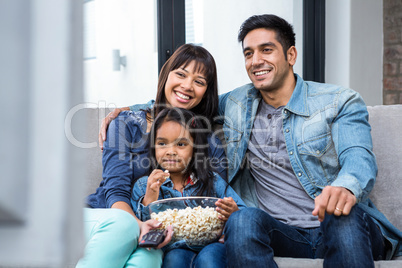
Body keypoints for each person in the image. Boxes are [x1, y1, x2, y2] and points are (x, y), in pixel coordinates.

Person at [99, 14, 402, 267]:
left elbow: (358, 155)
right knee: (243, 222)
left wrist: (345, 185)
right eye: (248, 53)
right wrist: (132, 110)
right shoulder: (236, 103)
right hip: (280, 231)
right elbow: (184, 101)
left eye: (267, 50)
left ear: (291, 55)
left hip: (339, 225)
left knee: (342, 216)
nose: (256, 60)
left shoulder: (339, 100)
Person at [78, 44, 227, 268]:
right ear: (166, 75)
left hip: (152, 233)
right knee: (124, 226)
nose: (187, 86)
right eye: (181, 74)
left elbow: (212, 200)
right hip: (110, 218)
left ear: (206, 91)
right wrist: (138, 225)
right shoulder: (126, 123)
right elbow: (115, 191)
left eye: (199, 81)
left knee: (150, 259)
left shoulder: (208, 141)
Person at [131, 107, 246, 268]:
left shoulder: (212, 181)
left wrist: (233, 213)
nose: (171, 151)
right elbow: (140, 230)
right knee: (174, 260)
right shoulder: (145, 185)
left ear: (195, 149)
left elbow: (243, 215)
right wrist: (150, 197)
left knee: (210, 260)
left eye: (181, 144)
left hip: (211, 244)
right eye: (162, 143)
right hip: (172, 247)